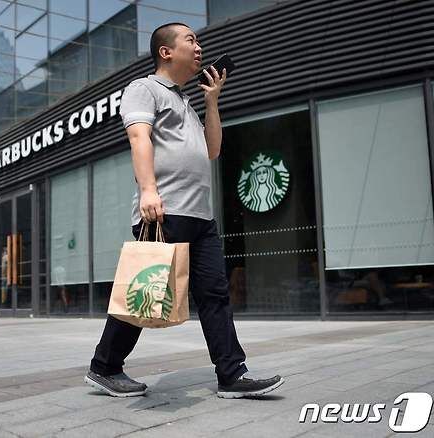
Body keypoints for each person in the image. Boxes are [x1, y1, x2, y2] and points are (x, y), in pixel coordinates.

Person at [84, 23, 284, 399]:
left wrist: (211, 100)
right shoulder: (144, 89)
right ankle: (104, 367)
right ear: (166, 52)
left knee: (215, 295)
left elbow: (212, 149)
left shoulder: (186, 101)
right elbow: (138, 136)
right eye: (190, 40)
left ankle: (231, 374)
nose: (199, 47)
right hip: (163, 211)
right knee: (145, 293)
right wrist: (148, 190)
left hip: (200, 217)